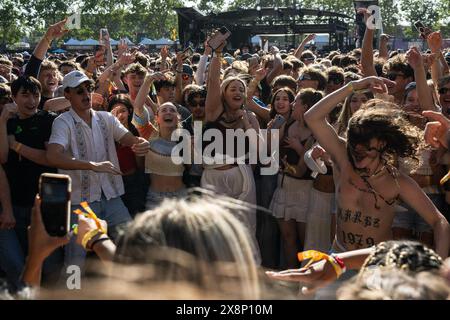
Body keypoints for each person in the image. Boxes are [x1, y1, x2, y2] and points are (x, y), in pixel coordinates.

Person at [303, 76, 450, 258]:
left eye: (366, 146)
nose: (358, 150)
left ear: (381, 144)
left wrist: (440, 269)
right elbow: (312, 117)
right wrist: (353, 86)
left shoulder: (396, 181)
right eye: (354, 144)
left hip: (375, 268)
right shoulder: (344, 157)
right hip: (339, 259)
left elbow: (439, 222)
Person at [46, 70, 150, 273]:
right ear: (67, 95)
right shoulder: (62, 122)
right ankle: (71, 295)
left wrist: (139, 143)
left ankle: (135, 290)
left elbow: (128, 138)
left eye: (88, 89)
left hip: (112, 197)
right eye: (79, 91)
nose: (86, 95)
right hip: (80, 204)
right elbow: (53, 156)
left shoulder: (105, 118)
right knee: (75, 261)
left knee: (132, 244)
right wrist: (92, 165)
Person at [0, 76, 60, 286]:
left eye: (35, 95)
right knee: (18, 266)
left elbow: (48, 158)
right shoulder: (8, 122)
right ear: (13, 98)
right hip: (15, 205)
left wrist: (17, 147)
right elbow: (3, 158)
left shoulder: (48, 120)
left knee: (51, 264)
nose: (31, 100)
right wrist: (2, 121)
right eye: (24, 95)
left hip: (46, 204)